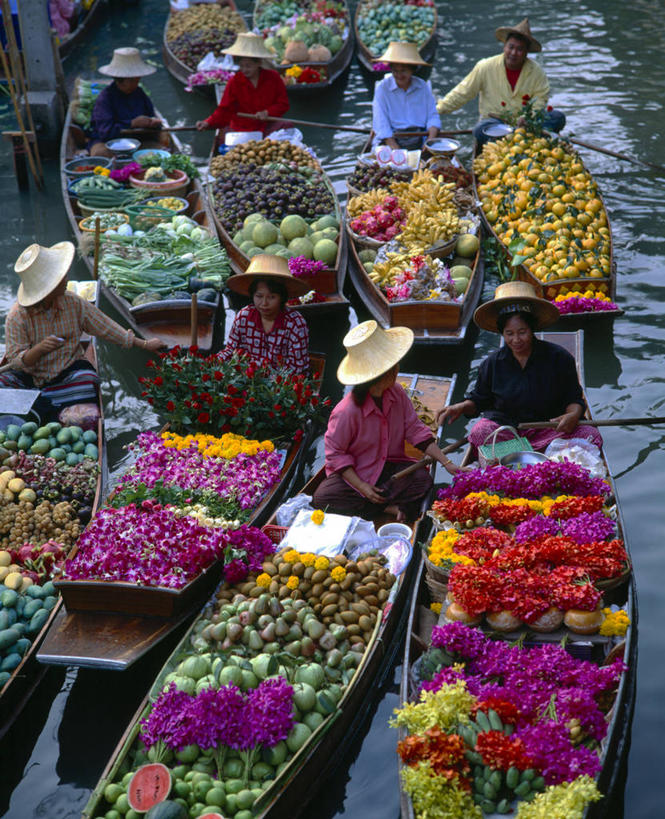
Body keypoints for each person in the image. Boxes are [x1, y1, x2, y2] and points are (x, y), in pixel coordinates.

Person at [312, 321, 462, 522]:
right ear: (377, 376)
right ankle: (388, 508)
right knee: (323, 498)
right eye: (392, 367)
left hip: (389, 467)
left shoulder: (397, 393)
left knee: (422, 479)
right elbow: (336, 455)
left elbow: (415, 430)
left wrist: (447, 462)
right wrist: (362, 487)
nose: (397, 369)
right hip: (357, 473)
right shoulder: (346, 411)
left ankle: (376, 507)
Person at [0, 242, 163, 419]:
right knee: (3, 384)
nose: (66, 279)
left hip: (66, 373)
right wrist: (39, 350)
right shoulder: (17, 317)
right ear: (48, 289)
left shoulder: (73, 303)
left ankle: (39, 408)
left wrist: (144, 344)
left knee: (88, 380)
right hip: (29, 377)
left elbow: (105, 327)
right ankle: (46, 406)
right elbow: (16, 362)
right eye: (61, 277)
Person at [437, 282, 603, 453]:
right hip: (509, 433)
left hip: (551, 431)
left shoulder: (559, 358)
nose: (516, 340)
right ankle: (533, 454)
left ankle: (522, 455)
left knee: (591, 435)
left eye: (522, 332)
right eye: (509, 334)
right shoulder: (492, 364)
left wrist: (572, 415)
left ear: (532, 329)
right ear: (502, 333)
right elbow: (479, 400)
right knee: (480, 432)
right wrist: (461, 407)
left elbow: (574, 399)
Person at [436, 18, 565, 145]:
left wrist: (527, 117)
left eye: (519, 49)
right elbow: (462, 92)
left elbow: (540, 98)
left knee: (558, 117)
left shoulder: (536, 71)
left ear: (526, 53)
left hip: (525, 123)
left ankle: (516, 136)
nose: (514, 53)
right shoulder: (485, 66)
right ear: (504, 47)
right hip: (496, 122)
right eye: (511, 47)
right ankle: (519, 137)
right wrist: (436, 110)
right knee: (480, 130)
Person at [221, 255, 310, 373]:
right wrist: (213, 363)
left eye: (272, 297)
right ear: (252, 295)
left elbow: (297, 367)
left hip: (282, 380)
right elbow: (230, 350)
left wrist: (270, 379)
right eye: (259, 296)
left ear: (282, 297)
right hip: (248, 376)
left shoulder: (295, 323)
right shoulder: (244, 316)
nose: (264, 303)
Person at [196, 33, 289, 136]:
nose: (244, 70)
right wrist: (208, 122)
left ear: (258, 63)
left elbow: (283, 104)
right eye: (241, 66)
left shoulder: (273, 77)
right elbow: (224, 110)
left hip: (268, 126)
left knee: (287, 126)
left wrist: (267, 112)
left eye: (248, 66)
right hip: (242, 129)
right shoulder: (234, 82)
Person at [89, 47, 166, 157]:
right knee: (100, 153)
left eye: (137, 79)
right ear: (119, 81)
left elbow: (151, 118)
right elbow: (105, 132)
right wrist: (132, 123)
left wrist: (152, 123)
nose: (136, 83)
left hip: (139, 142)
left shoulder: (139, 93)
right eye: (132, 80)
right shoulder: (105, 99)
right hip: (110, 144)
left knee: (159, 153)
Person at [372, 42, 440, 150]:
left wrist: (429, 141)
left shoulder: (422, 86)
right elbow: (381, 122)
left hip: (421, 136)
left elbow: (433, 116)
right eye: (395, 71)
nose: (399, 75)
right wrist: (395, 148)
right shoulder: (382, 88)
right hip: (392, 137)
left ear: (412, 70)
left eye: (403, 71)